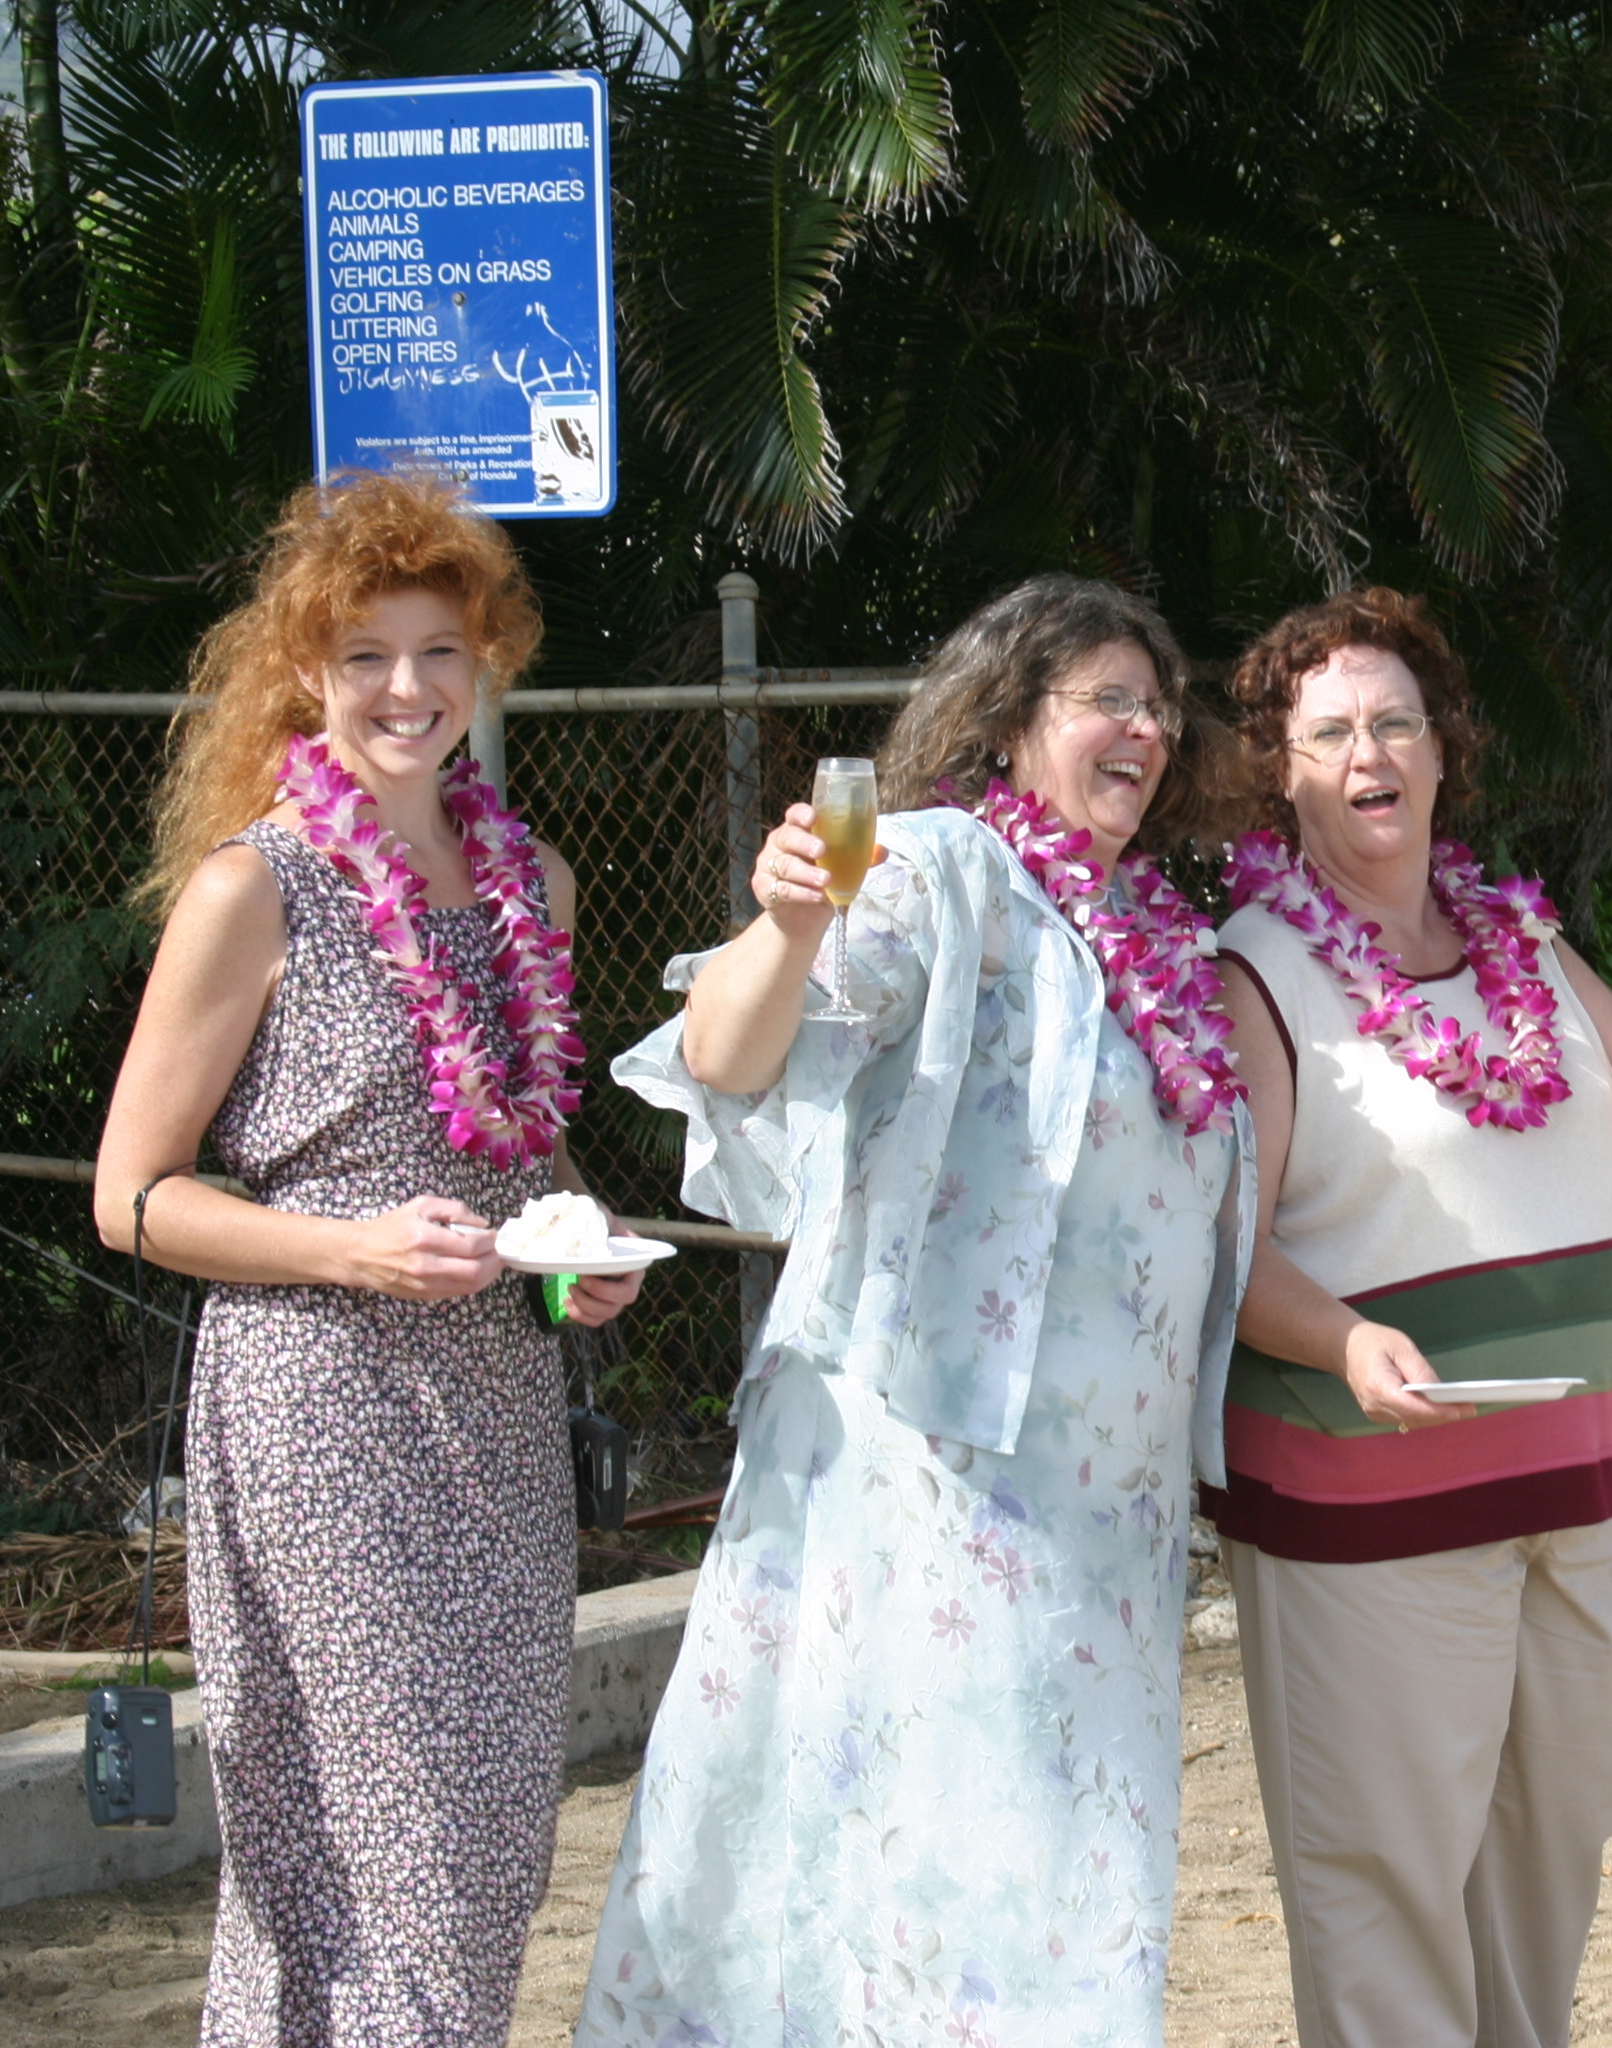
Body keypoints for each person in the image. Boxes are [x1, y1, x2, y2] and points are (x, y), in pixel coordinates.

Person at [571, 575, 1253, 2046]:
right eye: (1106, 700)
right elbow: (734, 1054)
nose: (1145, 729)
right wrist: (784, 926)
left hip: (1109, 1513)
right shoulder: (941, 870)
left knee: (1067, 1851)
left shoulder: (1156, 939)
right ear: (1010, 723)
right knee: (948, 1842)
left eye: (1159, 705)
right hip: (940, 1475)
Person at [1205, 585, 1612, 2048]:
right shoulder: (1257, 973)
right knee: (1385, 1884)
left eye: (1395, 721)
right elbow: (1226, 1250)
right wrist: (1345, 1340)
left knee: (1555, 1844)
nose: (1369, 752)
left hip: (1566, 1483)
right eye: (1330, 731)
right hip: (1368, 1501)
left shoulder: (1518, 936)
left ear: (1442, 746)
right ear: (1281, 771)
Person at [92, 471, 639, 2047]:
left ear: (488, 662)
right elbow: (132, 1196)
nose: (409, 688)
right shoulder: (251, 889)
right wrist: (349, 1250)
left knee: (489, 1851)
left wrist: (577, 1256)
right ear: (305, 671)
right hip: (321, 1417)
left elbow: (524, 1154)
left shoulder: (535, 886)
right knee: (376, 1860)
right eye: (366, 656)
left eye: (440, 651)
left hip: (496, 1421)